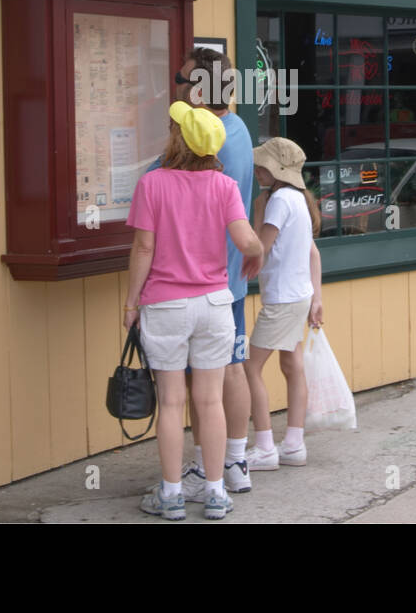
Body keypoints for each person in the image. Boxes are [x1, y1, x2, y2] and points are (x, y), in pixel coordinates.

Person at [124, 101, 263, 521]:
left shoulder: (153, 184)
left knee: (170, 402)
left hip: (165, 304)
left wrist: (131, 302)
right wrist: (253, 257)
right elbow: (248, 241)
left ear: (178, 138)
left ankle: (171, 496)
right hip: (215, 304)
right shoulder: (223, 187)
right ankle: (216, 493)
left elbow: (143, 248)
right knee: (210, 402)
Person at [171, 47, 258, 501]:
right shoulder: (240, 130)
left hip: (197, 283)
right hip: (232, 278)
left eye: (181, 81)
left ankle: (207, 467)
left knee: (198, 381)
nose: (177, 89)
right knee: (233, 368)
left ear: (200, 91)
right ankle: (236, 461)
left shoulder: (200, 140)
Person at [243, 137, 324, 470]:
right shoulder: (299, 200)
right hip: (299, 294)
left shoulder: (276, 202)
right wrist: (317, 297)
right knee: (292, 367)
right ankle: (293, 444)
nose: (257, 169)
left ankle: (264, 447)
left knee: (249, 367)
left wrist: (256, 215)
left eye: (262, 165)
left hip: (282, 300)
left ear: (274, 170)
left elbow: (258, 249)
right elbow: (312, 252)